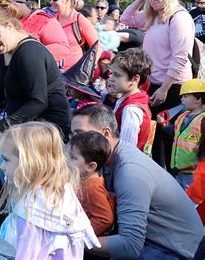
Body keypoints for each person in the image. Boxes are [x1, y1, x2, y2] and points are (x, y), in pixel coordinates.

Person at [71, 104, 203, 258]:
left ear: (105, 133)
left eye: (79, 134)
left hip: (173, 251)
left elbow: (129, 246)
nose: (73, 141)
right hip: (157, 243)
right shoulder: (105, 156)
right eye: (72, 134)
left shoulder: (130, 171)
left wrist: (70, 239)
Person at [0, 122, 100, 258]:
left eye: (6, 160)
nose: (2, 166)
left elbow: (27, 254)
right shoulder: (60, 190)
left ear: (30, 163)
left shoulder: (30, 209)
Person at [0, 4, 71, 138]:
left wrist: (2, 126)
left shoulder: (28, 53)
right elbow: (2, 88)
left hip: (49, 130)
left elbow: (38, 101)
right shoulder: (3, 52)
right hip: (27, 127)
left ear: (9, 26)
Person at [121, 0, 195, 169]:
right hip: (155, 85)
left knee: (169, 141)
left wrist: (164, 88)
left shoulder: (179, 18)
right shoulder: (153, 16)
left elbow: (180, 58)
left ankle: (173, 186)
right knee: (157, 142)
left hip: (174, 88)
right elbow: (126, 18)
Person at [158, 79, 205, 189]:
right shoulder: (181, 116)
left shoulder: (203, 120)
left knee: (191, 200)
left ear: (198, 99)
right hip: (178, 169)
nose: (181, 99)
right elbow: (176, 134)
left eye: (185, 96)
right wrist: (165, 125)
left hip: (193, 171)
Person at [0, 0, 71, 65]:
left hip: (37, 72)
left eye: (7, 7)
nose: (5, 13)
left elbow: (62, 48)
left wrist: (30, 55)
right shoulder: (5, 21)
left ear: (20, 3)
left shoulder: (43, 20)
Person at [68, 131, 114, 236]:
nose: (66, 160)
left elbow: (105, 218)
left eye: (72, 158)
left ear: (91, 167)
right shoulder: (84, 178)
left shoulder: (92, 188)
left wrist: (80, 234)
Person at [110, 48, 152, 151]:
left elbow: (126, 150)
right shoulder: (126, 99)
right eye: (112, 73)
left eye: (117, 75)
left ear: (134, 79)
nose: (111, 78)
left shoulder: (131, 110)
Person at [50, 0, 100, 71]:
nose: (51, 2)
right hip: (54, 73)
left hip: (73, 75)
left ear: (66, 0)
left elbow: (97, 47)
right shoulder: (52, 21)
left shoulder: (79, 19)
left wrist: (89, 68)